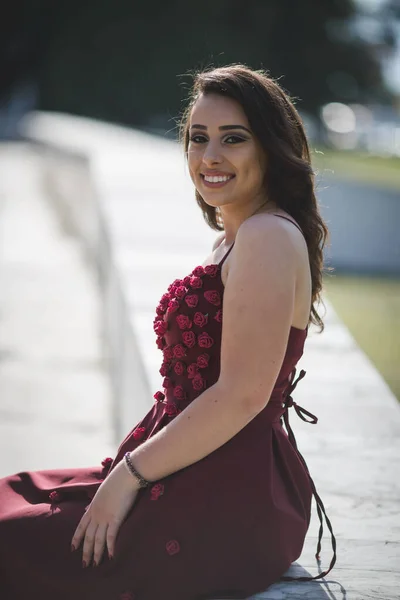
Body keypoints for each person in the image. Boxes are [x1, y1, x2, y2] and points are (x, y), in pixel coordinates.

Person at [0, 64, 336, 599]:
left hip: (224, 497)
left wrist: (126, 479)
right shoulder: (241, 234)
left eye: (234, 139)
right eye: (197, 139)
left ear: (271, 148)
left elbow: (242, 395)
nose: (210, 157)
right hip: (190, 470)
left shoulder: (268, 237)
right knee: (14, 498)